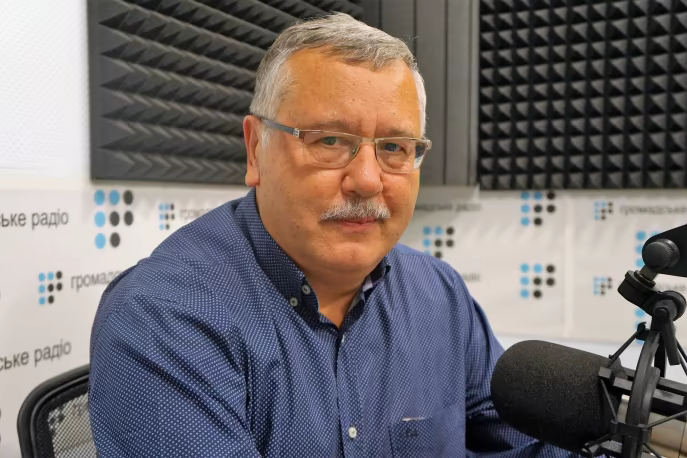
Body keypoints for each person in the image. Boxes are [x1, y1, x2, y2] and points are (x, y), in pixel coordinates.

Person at [89, 12, 573, 457]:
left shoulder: (439, 294)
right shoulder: (164, 317)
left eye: (394, 147)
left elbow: (522, 442)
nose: (367, 180)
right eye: (330, 140)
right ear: (256, 150)